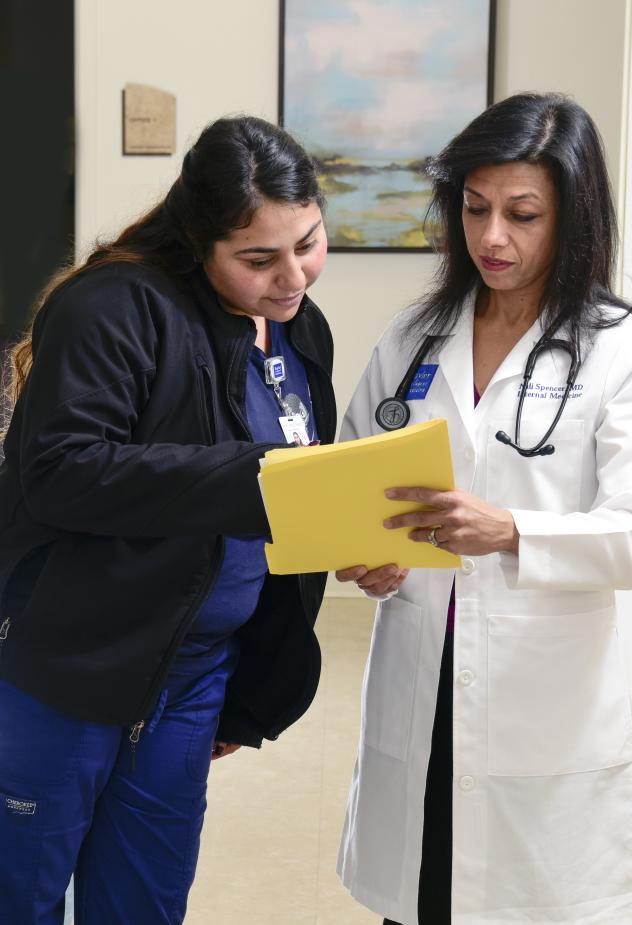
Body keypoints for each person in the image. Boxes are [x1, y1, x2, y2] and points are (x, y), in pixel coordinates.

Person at [335, 93, 632, 925]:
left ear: (572, 216)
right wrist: (365, 555)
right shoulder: (416, 334)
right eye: (475, 208)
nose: (493, 237)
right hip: (423, 670)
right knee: (420, 897)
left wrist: (513, 529)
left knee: (529, 903)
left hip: (540, 691)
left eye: (523, 215)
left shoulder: (621, 351)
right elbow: (351, 470)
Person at [0, 115, 335, 925]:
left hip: (192, 677)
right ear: (199, 242)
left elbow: (294, 479)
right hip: (70, 667)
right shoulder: (111, 307)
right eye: (258, 259)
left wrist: (351, 530)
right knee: (22, 896)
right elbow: (60, 470)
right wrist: (252, 476)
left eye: (310, 242)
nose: (293, 277)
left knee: (144, 904)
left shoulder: (298, 328)